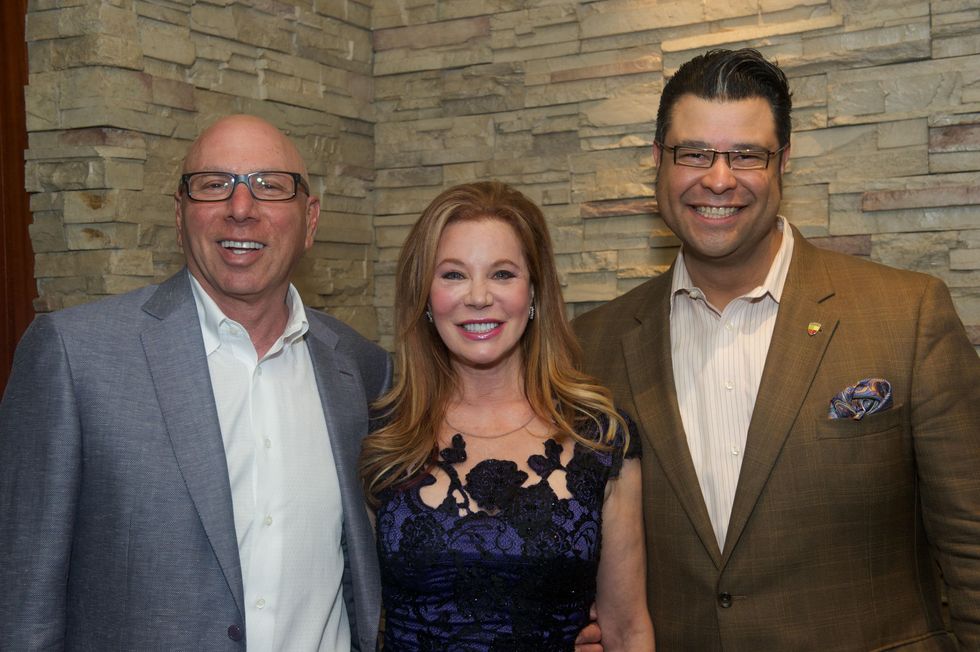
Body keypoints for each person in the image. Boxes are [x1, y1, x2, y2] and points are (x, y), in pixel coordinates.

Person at [573, 48, 980, 650]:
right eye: (694, 153)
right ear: (658, 161)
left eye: (746, 154)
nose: (718, 178)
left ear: (784, 162)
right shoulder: (591, 346)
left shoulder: (908, 315)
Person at [0, 115, 391, 650]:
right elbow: (22, 601)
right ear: (179, 214)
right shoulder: (75, 356)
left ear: (311, 220)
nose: (241, 207)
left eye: (270, 186)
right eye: (213, 185)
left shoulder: (361, 368)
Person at [359, 181, 654, 650]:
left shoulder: (600, 439)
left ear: (534, 293)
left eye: (502, 274)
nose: (478, 297)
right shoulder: (383, 435)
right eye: (453, 274)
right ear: (425, 298)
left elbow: (627, 628)